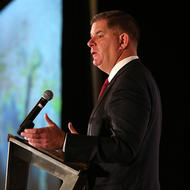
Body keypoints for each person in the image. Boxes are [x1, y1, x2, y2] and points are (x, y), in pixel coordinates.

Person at [21, 10, 162, 190]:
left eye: (99, 35)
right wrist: (78, 146)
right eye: (90, 37)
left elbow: (124, 148)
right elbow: (119, 145)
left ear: (123, 41)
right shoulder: (128, 78)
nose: (89, 43)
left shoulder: (130, 82)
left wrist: (64, 141)